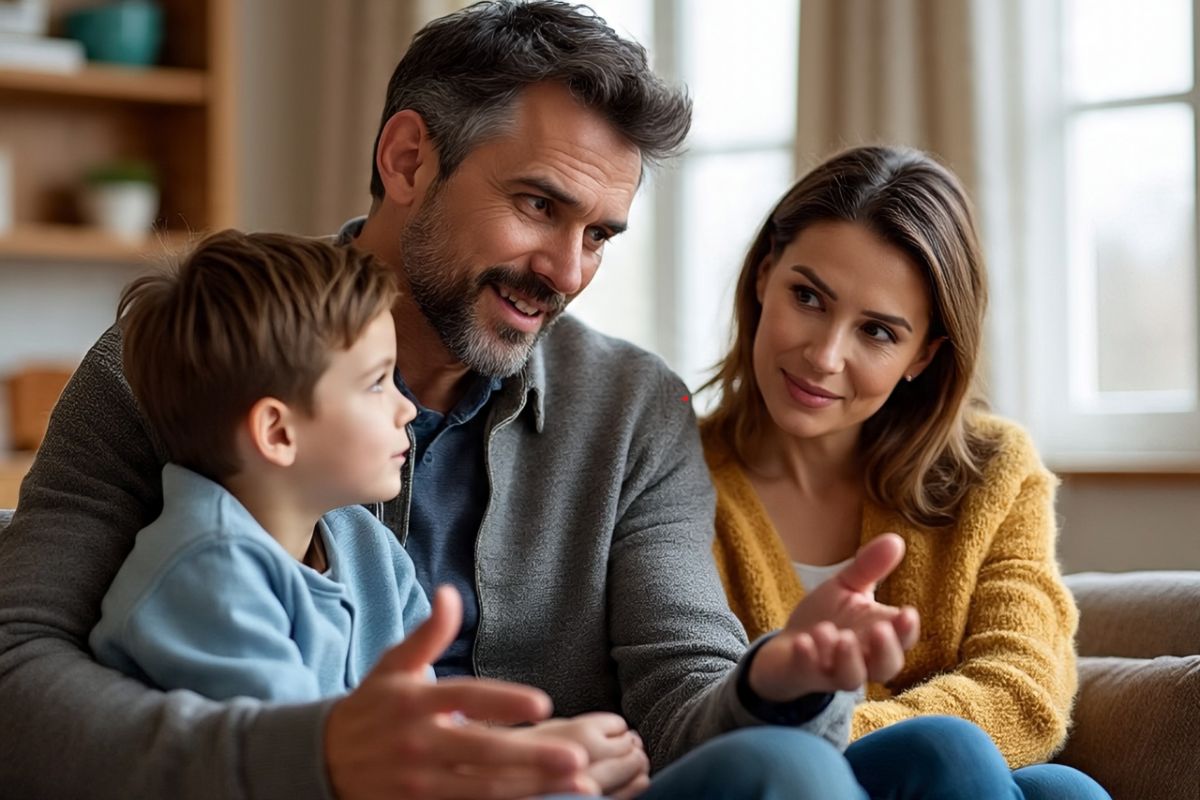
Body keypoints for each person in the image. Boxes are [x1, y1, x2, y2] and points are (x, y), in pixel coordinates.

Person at [0, 4, 917, 799]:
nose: (567, 273)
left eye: (599, 235)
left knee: (934, 755)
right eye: (538, 205)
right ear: (407, 160)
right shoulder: (185, 358)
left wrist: (778, 684)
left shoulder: (635, 408)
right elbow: (16, 676)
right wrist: (318, 756)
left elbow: (682, 703)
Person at [700, 144, 1111, 798]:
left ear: (923, 355)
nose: (824, 356)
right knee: (951, 751)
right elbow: (688, 708)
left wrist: (837, 730)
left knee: (1064, 792)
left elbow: (1024, 692)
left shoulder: (995, 471)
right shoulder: (674, 474)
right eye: (807, 297)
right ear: (764, 275)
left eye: (878, 333)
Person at [88, 229, 436, 702]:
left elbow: (429, 711)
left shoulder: (368, 545)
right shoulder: (208, 574)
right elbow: (290, 743)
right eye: (377, 383)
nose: (408, 408)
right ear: (277, 433)